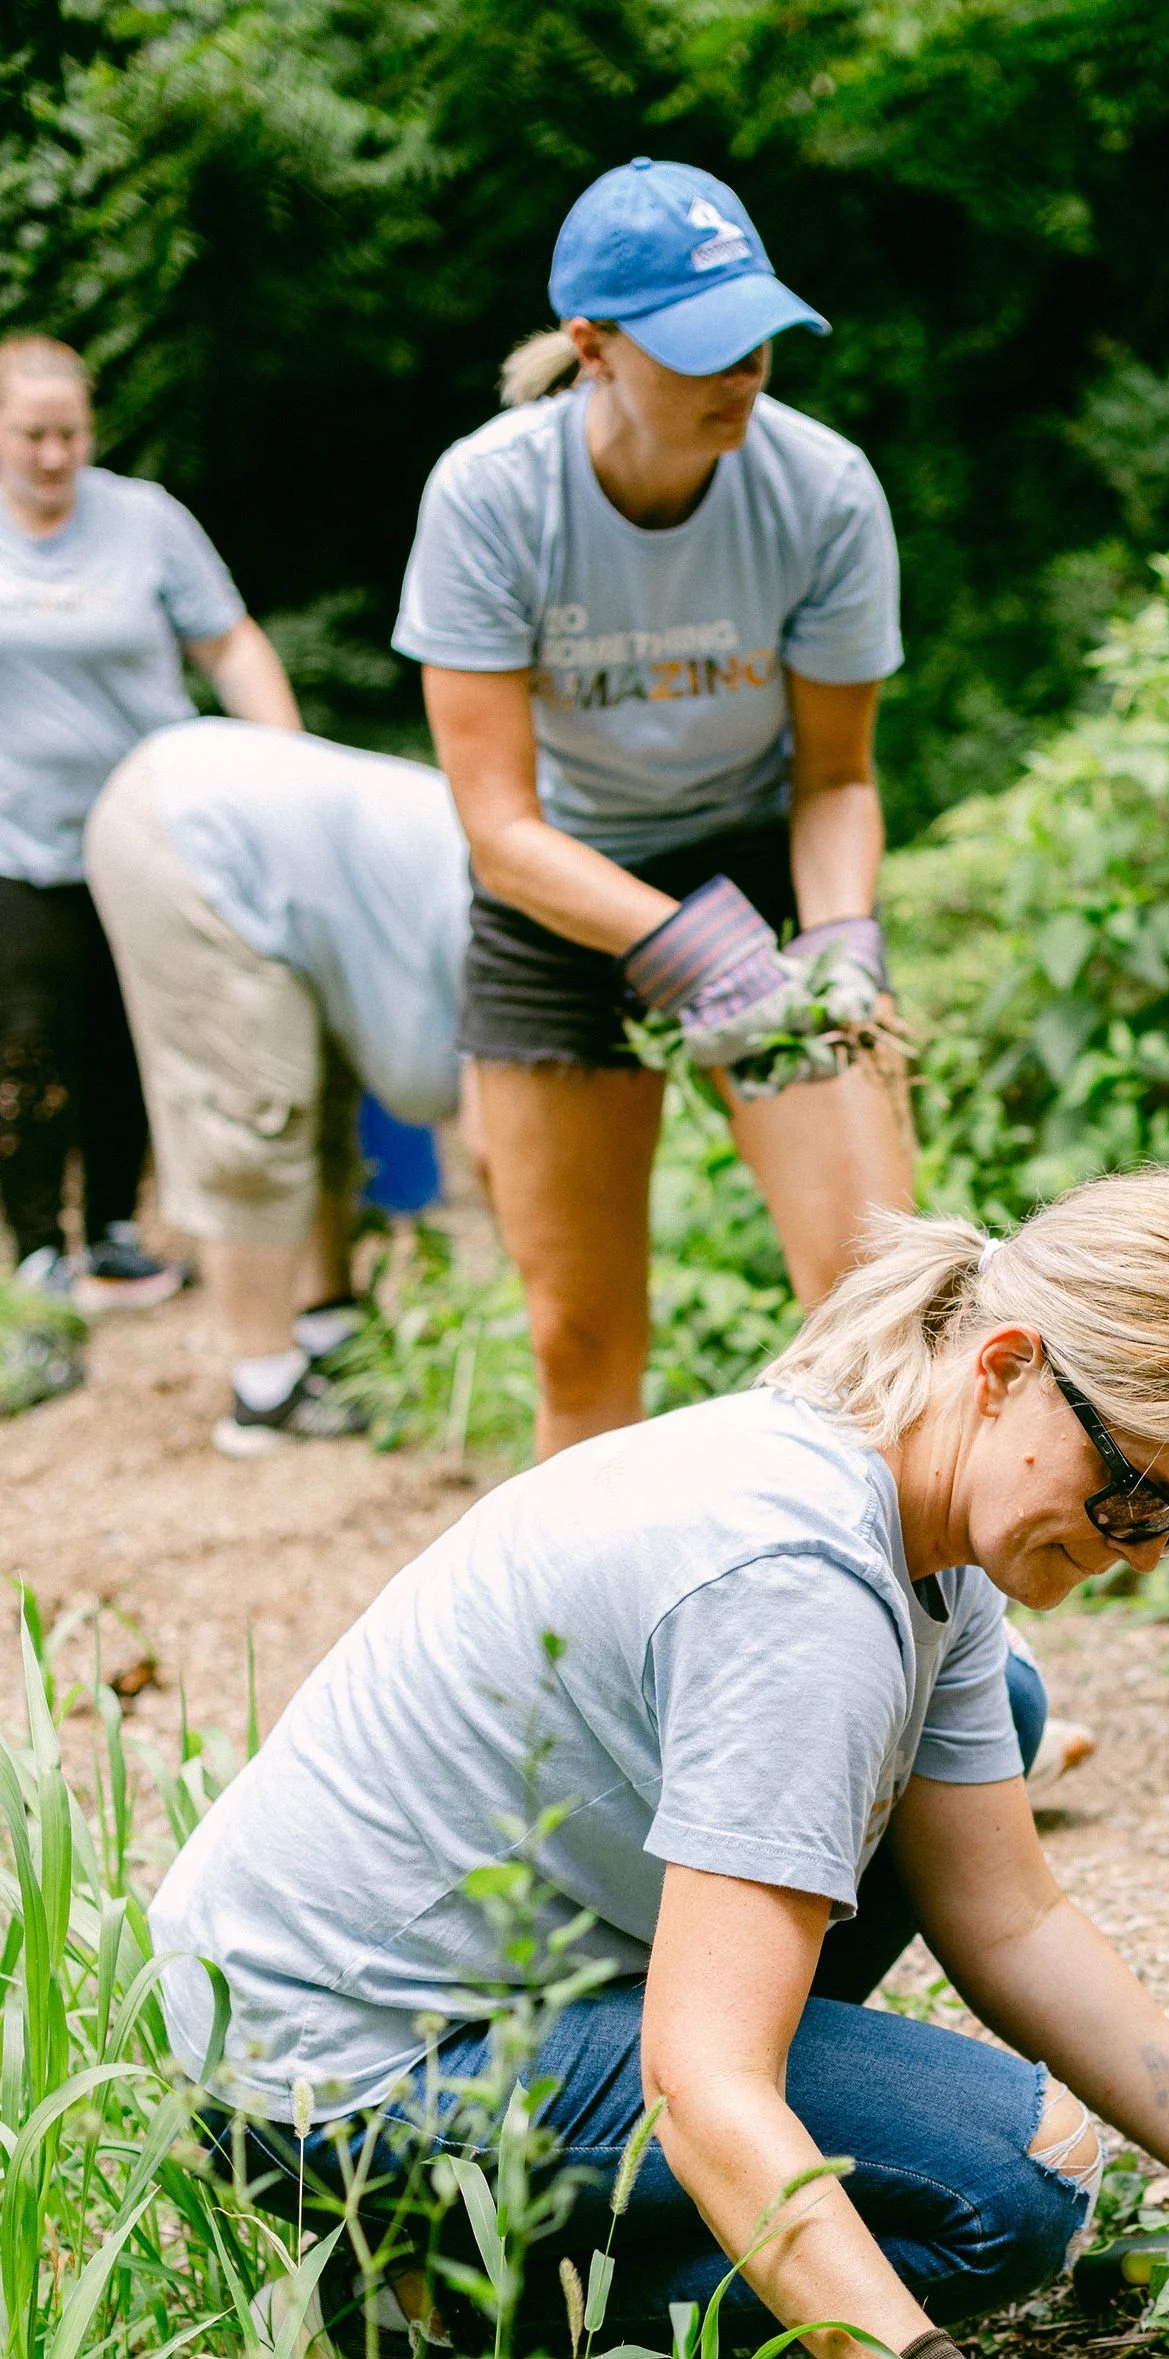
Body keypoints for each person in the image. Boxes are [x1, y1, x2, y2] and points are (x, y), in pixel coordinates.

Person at [151, 1172, 1169, 2359]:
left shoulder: (913, 1508)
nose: (1136, 1555)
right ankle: (482, 2347)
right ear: (1007, 1368)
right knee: (1020, 2183)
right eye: (1128, 1494)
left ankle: (497, 2268)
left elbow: (1007, 1911)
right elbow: (702, 2078)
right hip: (335, 2071)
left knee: (998, 1712)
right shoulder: (798, 1590)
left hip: (426, 1982)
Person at [393, 156, 914, 1464]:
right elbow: (498, 829)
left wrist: (840, 941)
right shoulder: (491, 498)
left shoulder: (824, 490)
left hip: (761, 866)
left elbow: (836, 778)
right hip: (561, 894)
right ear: (594, 349)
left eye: (758, 338)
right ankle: (586, 1598)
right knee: (579, 1336)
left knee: (875, 1313)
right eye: (702, 348)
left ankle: (898, 1592)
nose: (744, 373)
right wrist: (680, 946)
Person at [0, 332, 300, 1308]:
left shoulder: (146, 520)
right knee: (28, 1041)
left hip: (146, 833)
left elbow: (231, 644)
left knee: (132, 1036)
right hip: (18, 841)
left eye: (71, 433)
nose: (54, 455)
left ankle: (115, 1232)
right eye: (32, 434)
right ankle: (36, 1248)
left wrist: (288, 766)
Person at [85, 718, 468, 1453]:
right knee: (253, 1108)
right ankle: (265, 1387)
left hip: (258, 836)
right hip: (187, 833)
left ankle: (329, 1324)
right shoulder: (507, 893)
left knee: (327, 1098)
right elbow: (487, 1120)